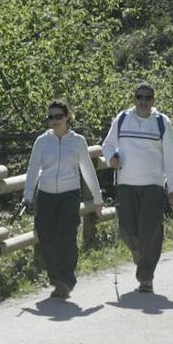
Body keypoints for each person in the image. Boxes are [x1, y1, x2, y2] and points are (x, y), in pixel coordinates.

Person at [101, 81, 173, 293]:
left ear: (153, 100)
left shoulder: (162, 123)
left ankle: (145, 277)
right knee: (127, 230)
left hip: (153, 184)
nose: (143, 101)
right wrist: (111, 158)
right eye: (140, 97)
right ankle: (139, 252)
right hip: (126, 183)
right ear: (134, 99)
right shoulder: (122, 119)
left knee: (151, 231)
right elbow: (107, 145)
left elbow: (172, 157)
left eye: (147, 98)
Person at [23, 100, 104, 299]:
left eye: (58, 116)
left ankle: (66, 281)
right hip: (46, 194)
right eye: (51, 117)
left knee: (66, 237)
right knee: (46, 238)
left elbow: (87, 169)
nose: (54, 121)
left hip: (69, 194)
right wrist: (27, 196)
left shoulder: (77, 142)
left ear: (67, 116)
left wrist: (97, 198)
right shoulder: (42, 141)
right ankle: (56, 278)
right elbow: (33, 169)